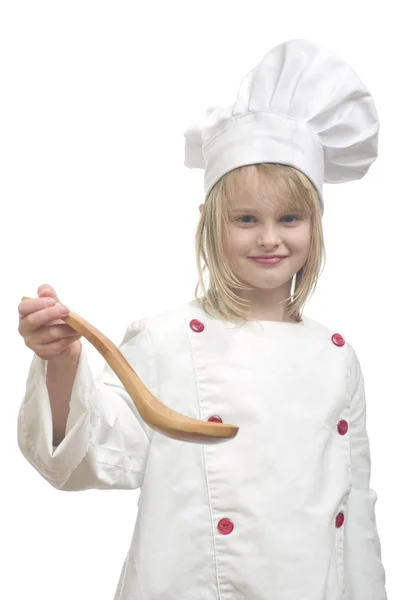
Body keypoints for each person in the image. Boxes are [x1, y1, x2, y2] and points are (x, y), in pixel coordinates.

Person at [17, 39, 388, 599]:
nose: (269, 237)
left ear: (315, 225)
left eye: (289, 217)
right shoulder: (164, 339)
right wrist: (65, 363)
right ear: (210, 222)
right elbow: (87, 460)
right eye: (245, 218)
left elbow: (356, 517)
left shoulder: (338, 357)